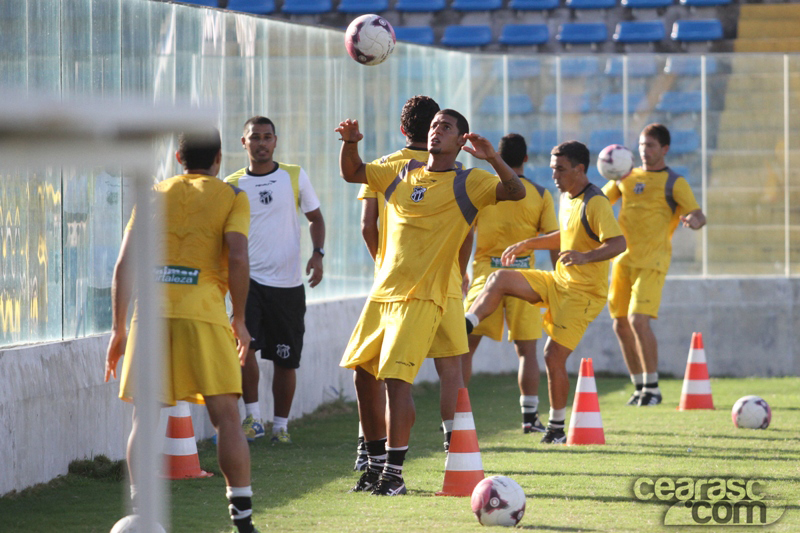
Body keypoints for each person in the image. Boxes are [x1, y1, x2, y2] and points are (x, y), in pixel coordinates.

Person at [336, 109, 526, 495]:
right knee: (362, 375)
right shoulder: (401, 171)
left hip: (422, 296)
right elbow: (352, 173)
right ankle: (373, 464)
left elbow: (515, 191)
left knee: (397, 380)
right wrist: (350, 143)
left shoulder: (469, 181)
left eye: (446, 127)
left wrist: (492, 157)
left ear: (461, 141)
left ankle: (394, 473)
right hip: (383, 292)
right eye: (435, 124)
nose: (437, 130)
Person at [104, 128, 259, 533]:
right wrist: (239, 319)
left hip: (150, 314)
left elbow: (124, 265)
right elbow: (239, 255)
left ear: (178, 157)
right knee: (226, 415)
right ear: (220, 159)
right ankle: (241, 519)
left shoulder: (154, 193)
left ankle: (141, 512)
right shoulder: (232, 196)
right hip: (204, 313)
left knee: (145, 416)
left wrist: (118, 329)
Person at [465, 141, 626, 444]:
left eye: (561, 169)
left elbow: (618, 243)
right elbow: (565, 235)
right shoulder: (566, 196)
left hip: (583, 294)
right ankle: (468, 322)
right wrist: (528, 243)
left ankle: (555, 427)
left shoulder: (596, 202)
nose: (554, 175)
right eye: (552, 168)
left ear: (580, 169)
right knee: (500, 278)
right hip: (558, 281)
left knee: (552, 355)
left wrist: (585, 257)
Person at [352, 95, 472, 471]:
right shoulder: (458, 170)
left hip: (395, 282)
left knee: (382, 370)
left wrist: (383, 263)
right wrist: (459, 270)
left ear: (402, 129)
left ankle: (372, 450)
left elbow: (366, 225)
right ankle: (455, 446)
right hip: (445, 279)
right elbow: (468, 230)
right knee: (450, 364)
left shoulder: (386, 165)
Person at [225, 116, 326, 443]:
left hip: (287, 285)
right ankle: (253, 419)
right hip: (247, 283)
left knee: (286, 359)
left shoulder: (294, 176)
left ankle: (281, 427)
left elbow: (315, 218)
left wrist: (318, 254)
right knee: (245, 350)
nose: (262, 143)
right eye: (255, 137)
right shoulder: (232, 184)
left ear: (276, 141)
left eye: (267, 137)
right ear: (244, 143)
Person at [602, 123, 706, 407]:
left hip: (653, 262)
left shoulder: (675, 182)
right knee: (620, 325)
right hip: (623, 261)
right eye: (641, 145)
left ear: (665, 149)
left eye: (650, 146)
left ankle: (654, 388)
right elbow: (599, 201)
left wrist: (694, 220)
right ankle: (640, 388)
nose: (644, 151)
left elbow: (698, 214)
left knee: (638, 320)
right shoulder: (625, 176)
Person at [462, 133, 559, 434]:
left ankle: (456, 418)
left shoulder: (483, 191)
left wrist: (460, 271)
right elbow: (554, 240)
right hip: (522, 278)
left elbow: (464, 234)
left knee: (464, 346)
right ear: (526, 159)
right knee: (526, 350)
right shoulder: (541, 193)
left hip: (484, 275)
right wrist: (559, 277)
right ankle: (530, 419)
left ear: (498, 157)